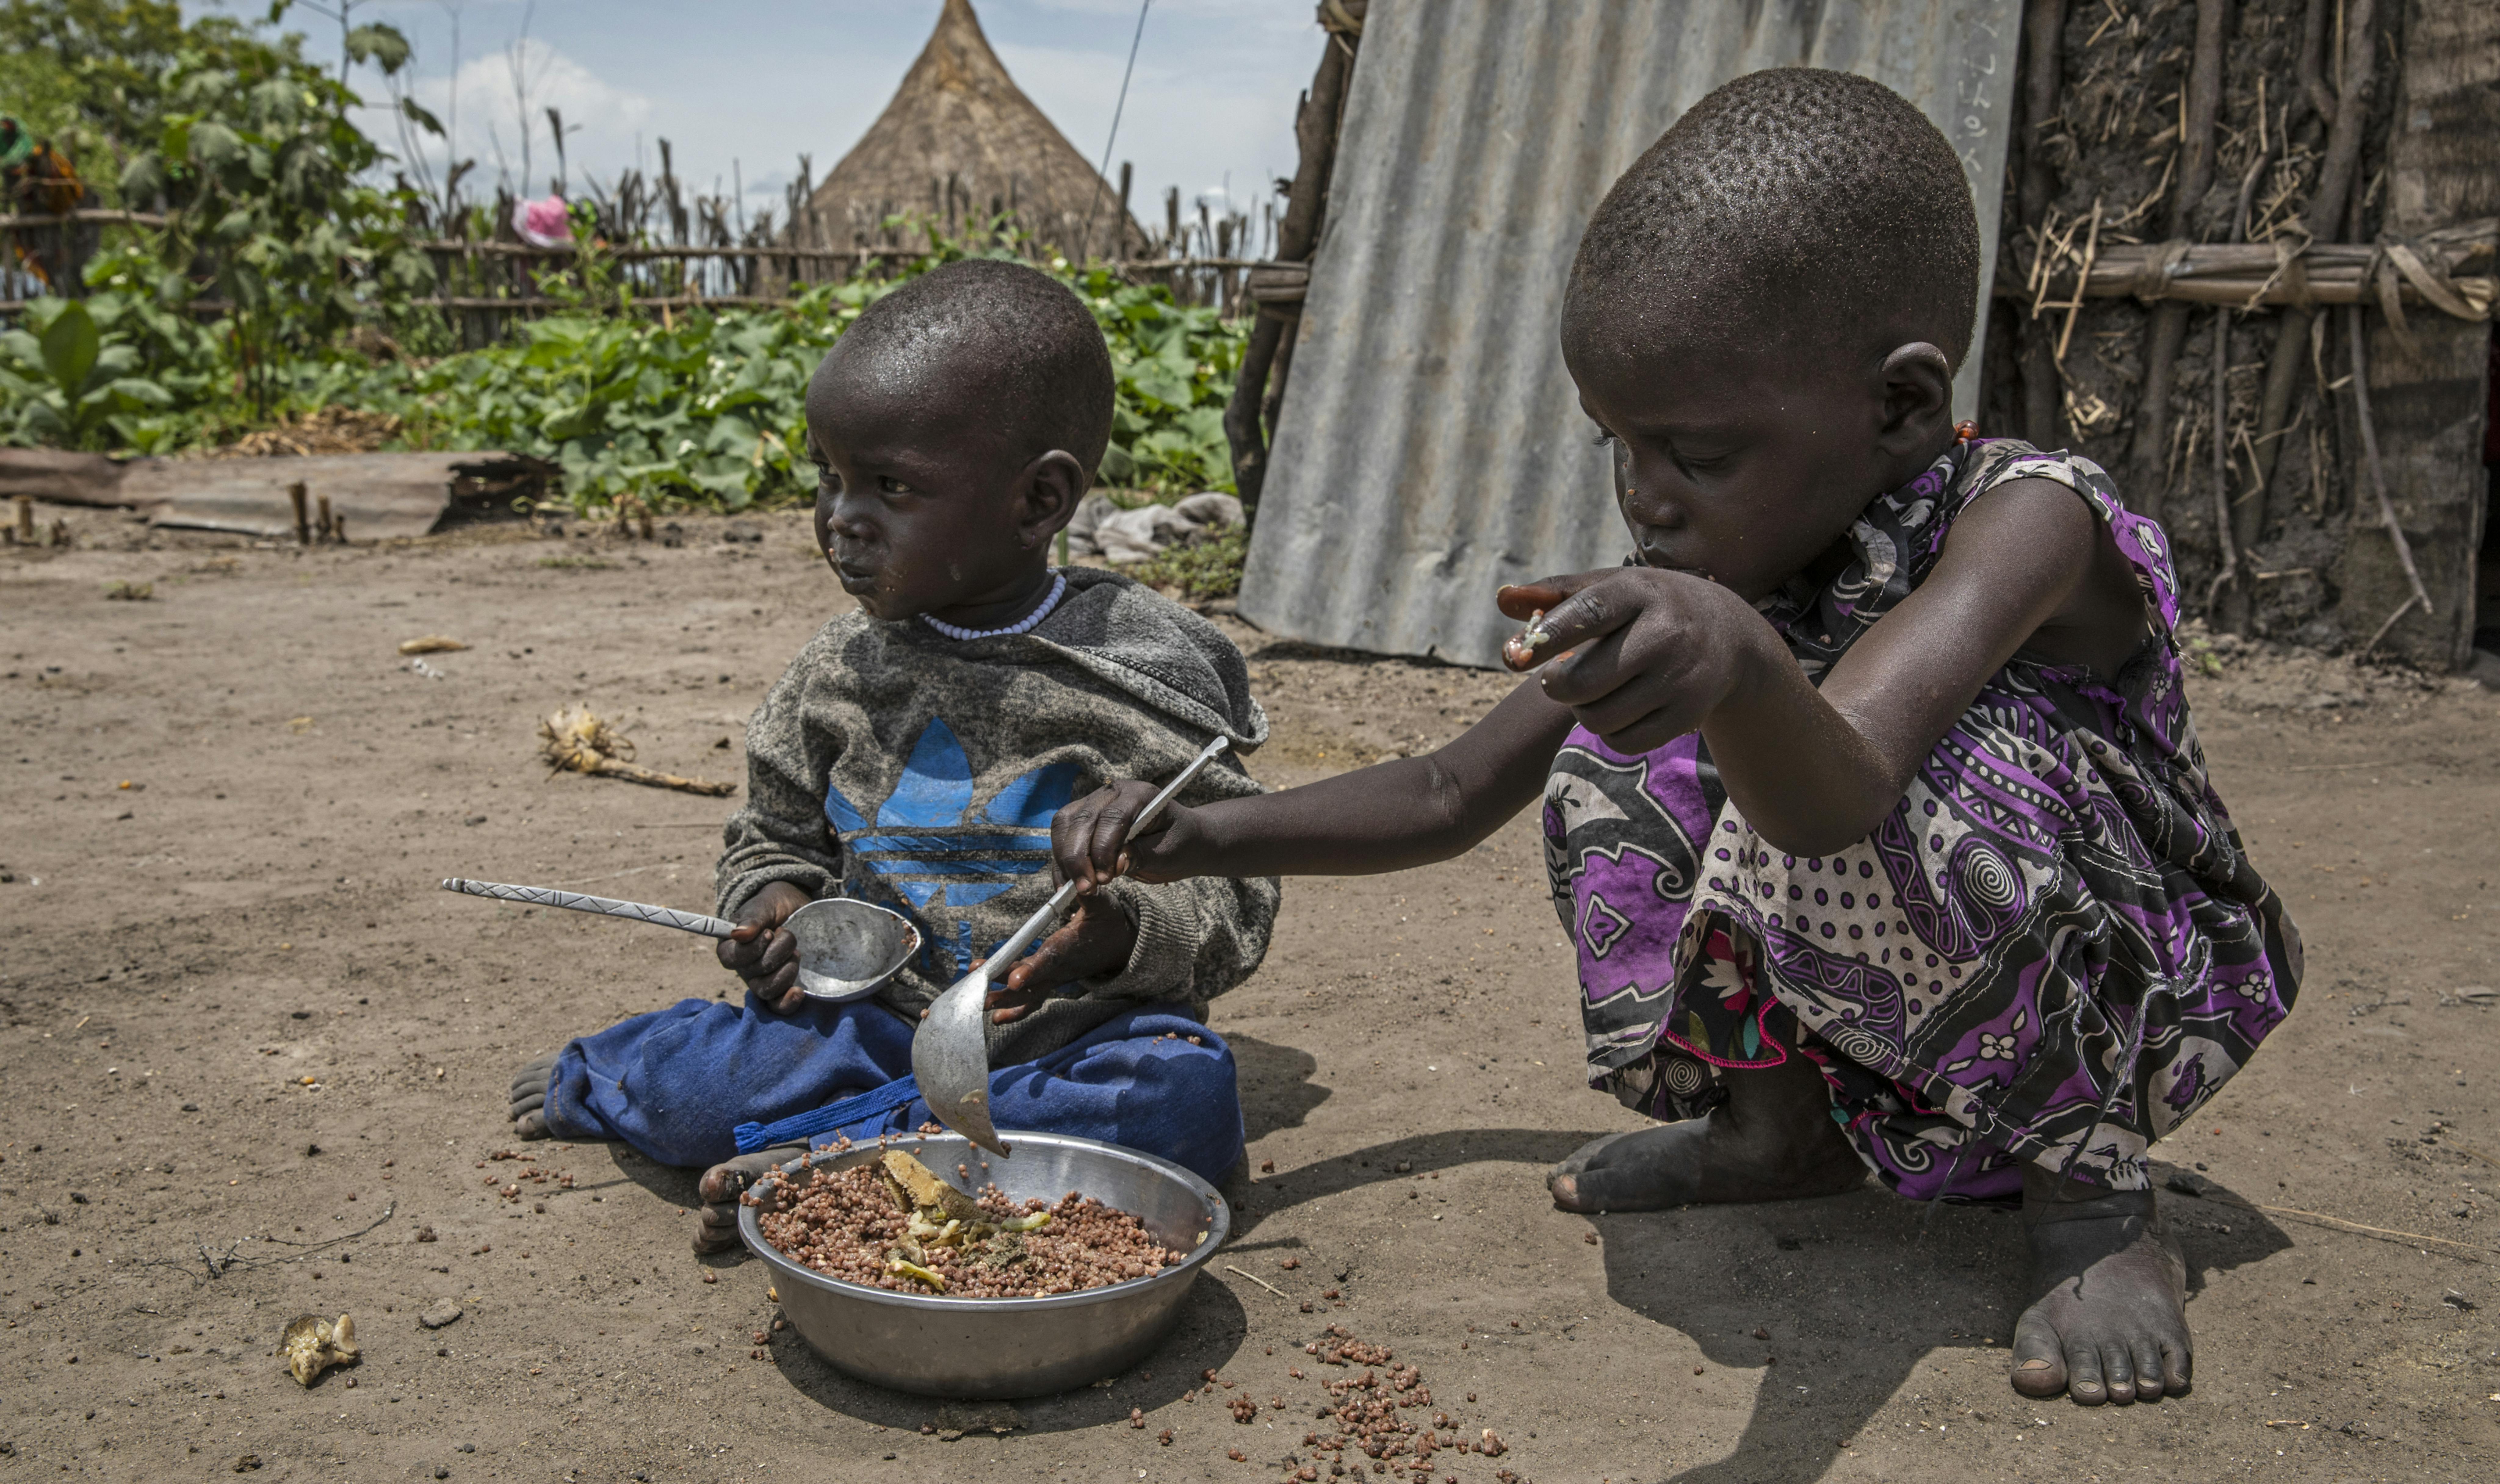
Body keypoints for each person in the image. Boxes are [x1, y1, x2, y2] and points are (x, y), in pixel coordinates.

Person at [1046, 69, 2298, 1408]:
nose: (1643, 496)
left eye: (1691, 455)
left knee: (1928, 766)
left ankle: (2089, 1200)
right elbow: (1446, 789)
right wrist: (1198, 834)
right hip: (1895, 935)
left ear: (1897, 406)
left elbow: (1842, 797)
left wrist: (1738, 657)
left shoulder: (2027, 522)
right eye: (1615, 445)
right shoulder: (1743, 554)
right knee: (1618, 742)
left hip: (2123, 963)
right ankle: (1776, 1131)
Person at [505, 259, 1278, 1252]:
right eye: (829, 477)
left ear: (1039, 499)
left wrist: (1124, 933)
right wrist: (772, 909)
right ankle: (651, 1086)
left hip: (1075, 1042)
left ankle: (833, 1166)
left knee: (1186, 1097)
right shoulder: (837, 671)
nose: (840, 518)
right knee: (699, 1084)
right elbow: (770, 838)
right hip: (868, 1028)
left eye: (889, 487)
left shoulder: (1141, 672)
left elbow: (1237, 896)